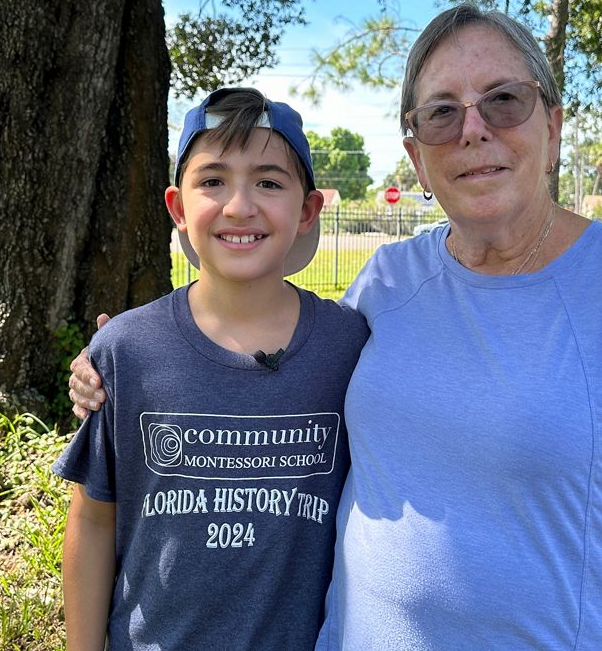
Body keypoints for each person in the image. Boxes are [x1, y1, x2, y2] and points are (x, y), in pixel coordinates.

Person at [69, 4, 602, 650]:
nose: (473, 129)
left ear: (552, 127)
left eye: (504, 101)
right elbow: (263, 350)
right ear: (416, 157)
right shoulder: (388, 282)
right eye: (441, 113)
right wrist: (120, 359)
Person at [53, 87, 369, 651]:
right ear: (177, 207)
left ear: (307, 210)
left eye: (269, 182)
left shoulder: (350, 346)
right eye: (213, 181)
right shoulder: (126, 351)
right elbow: (95, 520)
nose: (239, 206)